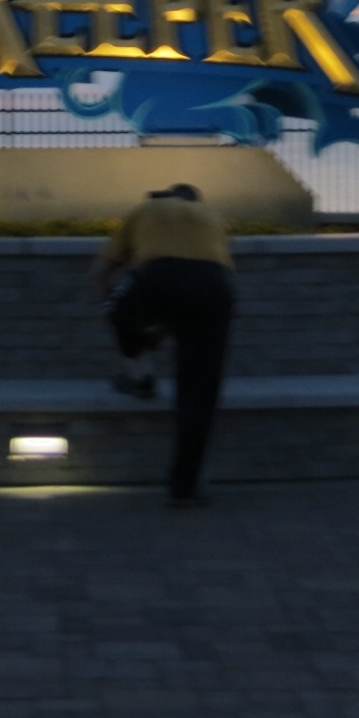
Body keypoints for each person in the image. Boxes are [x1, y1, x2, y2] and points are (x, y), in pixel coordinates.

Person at [90, 184, 236, 505]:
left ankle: (139, 371)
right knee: (199, 393)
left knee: (118, 309)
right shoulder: (212, 217)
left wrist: (125, 324)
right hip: (213, 287)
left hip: (155, 278)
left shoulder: (145, 210)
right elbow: (196, 279)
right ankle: (184, 488)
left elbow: (99, 271)